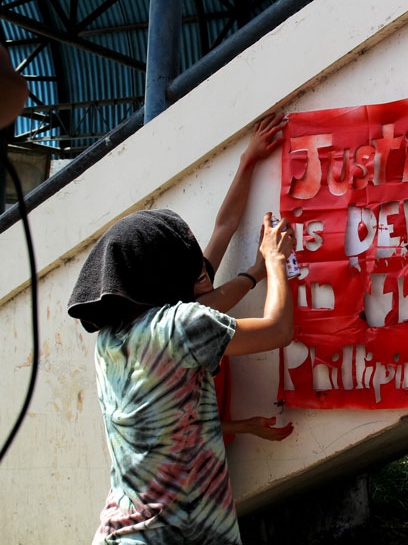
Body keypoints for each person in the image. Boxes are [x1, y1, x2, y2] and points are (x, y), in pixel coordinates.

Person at [68, 208, 295, 545]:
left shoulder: (109, 341)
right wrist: (274, 260)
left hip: (121, 533)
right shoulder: (179, 326)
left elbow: (171, 429)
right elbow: (278, 330)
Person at [192, 113, 293, 444]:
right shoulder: (190, 331)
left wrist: (247, 161)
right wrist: (272, 261)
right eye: (192, 277)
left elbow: (224, 227)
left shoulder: (196, 284)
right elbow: (277, 330)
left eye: (199, 266)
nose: (203, 274)